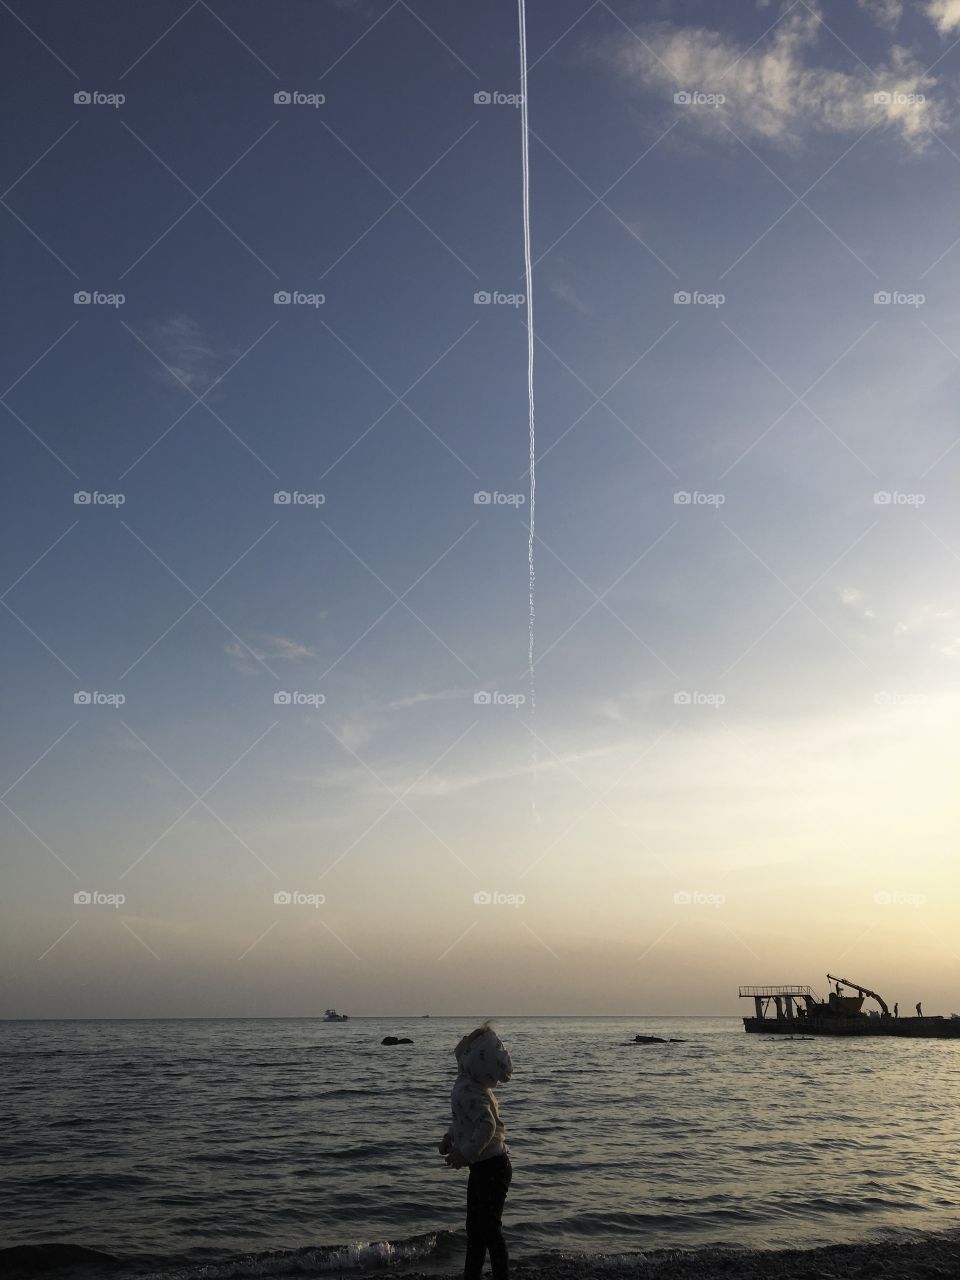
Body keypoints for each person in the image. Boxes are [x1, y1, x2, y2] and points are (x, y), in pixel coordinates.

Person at [439, 1023, 513, 1280]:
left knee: (489, 1228)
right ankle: (472, 1274)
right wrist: (450, 1137)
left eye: (468, 1040)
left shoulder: (474, 1091)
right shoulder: (465, 1083)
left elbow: (487, 1126)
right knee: (475, 1227)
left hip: (493, 1166)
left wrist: (466, 1153)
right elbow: (463, 1119)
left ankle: (499, 1275)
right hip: (484, 1166)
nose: (462, 1041)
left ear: (476, 1055)